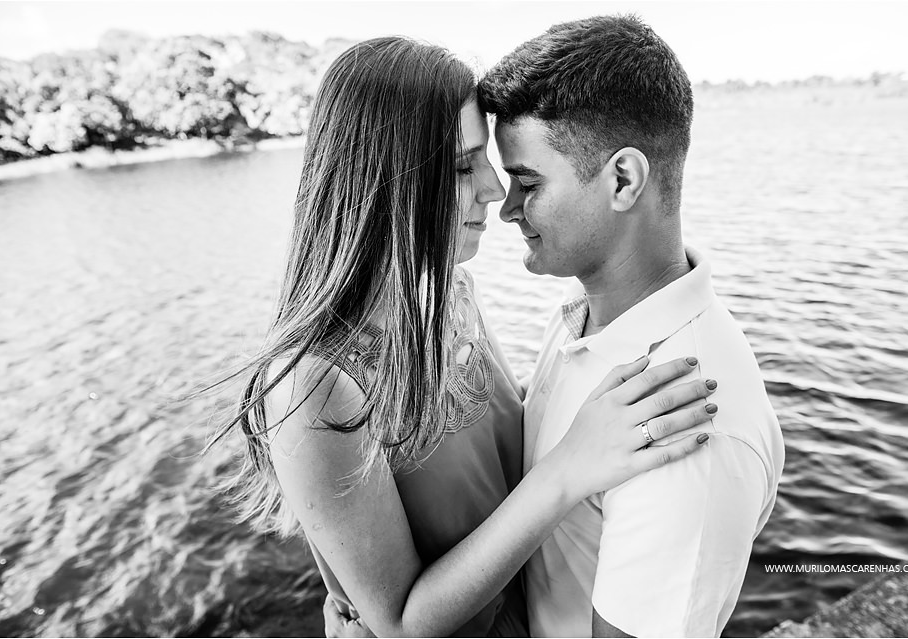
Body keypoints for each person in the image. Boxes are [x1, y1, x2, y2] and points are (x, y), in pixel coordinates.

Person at [207, 36, 720, 638]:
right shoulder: (314, 385)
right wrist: (569, 469)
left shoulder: (450, 297)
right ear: (384, 182)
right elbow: (401, 625)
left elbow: (505, 442)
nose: (495, 189)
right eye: (461, 165)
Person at [473, 14, 787, 637]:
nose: (506, 209)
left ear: (623, 180)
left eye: (527, 182)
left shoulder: (687, 424)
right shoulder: (588, 317)